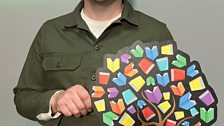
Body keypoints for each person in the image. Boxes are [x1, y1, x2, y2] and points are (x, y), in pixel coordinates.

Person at [13, 0, 173, 125]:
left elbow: (174, 103)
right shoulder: (50, 31)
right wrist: (55, 100)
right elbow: (24, 96)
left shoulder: (156, 33)